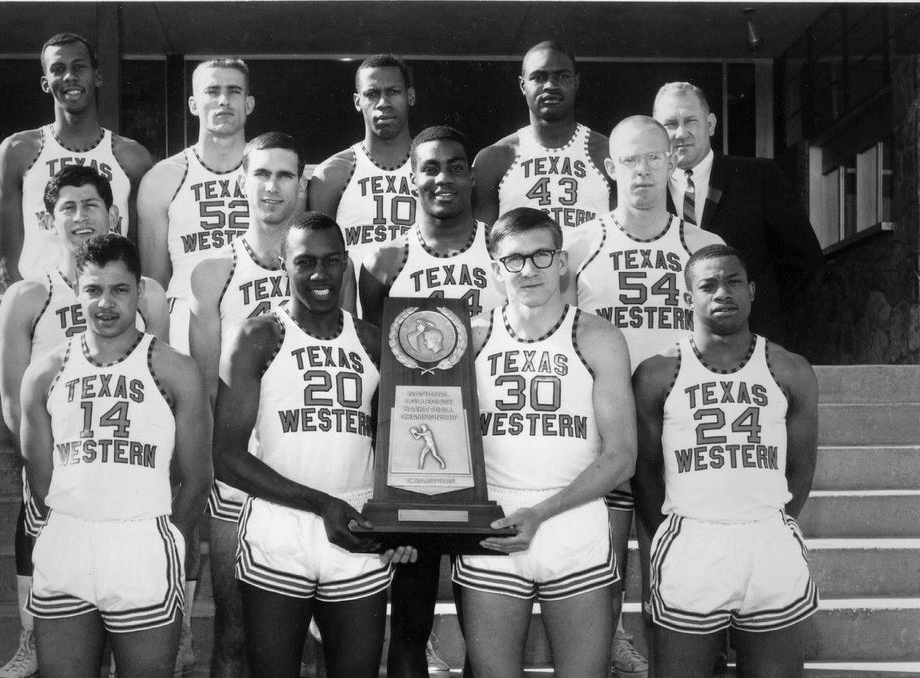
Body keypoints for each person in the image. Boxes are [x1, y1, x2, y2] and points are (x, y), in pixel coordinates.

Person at [213, 212, 417, 678]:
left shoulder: (372, 341)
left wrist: (401, 520)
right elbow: (226, 457)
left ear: (346, 263)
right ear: (283, 264)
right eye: (305, 262)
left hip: (356, 524)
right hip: (280, 525)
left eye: (330, 261)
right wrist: (320, 504)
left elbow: (397, 449)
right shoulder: (255, 336)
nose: (319, 275)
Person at [0, 166, 168, 678]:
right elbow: (12, 399)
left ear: (113, 213)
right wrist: (38, 454)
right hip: (59, 447)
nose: (79, 216)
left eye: (90, 204)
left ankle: (147, 635)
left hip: (125, 449)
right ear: (51, 221)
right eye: (67, 207)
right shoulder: (29, 296)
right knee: (42, 538)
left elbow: (160, 380)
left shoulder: (147, 293)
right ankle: (31, 635)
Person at [567, 117, 724, 669]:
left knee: (677, 565)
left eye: (654, 158)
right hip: (604, 430)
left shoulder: (705, 246)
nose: (643, 170)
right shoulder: (578, 244)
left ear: (672, 163)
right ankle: (609, 650)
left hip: (678, 431)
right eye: (630, 160)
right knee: (602, 564)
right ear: (610, 168)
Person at [455, 207, 637, 678]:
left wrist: (542, 513)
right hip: (493, 520)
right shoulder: (470, 338)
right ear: (496, 269)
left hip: (573, 517)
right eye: (514, 260)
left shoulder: (598, 336)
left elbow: (622, 456)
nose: (529, 270)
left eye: (541, 256)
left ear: (561, 263)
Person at [18, 233, 210, 677]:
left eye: (119, 289)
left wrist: (166, 538)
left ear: (139, 291)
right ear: (78, 292)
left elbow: (198, 478)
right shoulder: (45, 372)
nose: (106, 303)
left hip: (143, 542)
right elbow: (41, 479)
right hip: (68, 541)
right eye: (93, 290)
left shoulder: (175, 369)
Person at [632, 244, 820, 678]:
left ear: (751, 290)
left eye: (733, 281)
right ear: (688, 299)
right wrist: (675, 532)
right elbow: (644, 470)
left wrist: (766, 518)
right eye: (708, 284)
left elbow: (802, 468)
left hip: (767, 540)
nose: (722, 292)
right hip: (691, 539)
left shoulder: (789, 368)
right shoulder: (658, 372)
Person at [359, 125, 506, 678]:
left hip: (489, 451)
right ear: (412, 179)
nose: (442, 177)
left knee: (484, 623)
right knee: (411, 621)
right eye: (429, 168)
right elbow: (375, 362)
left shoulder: (500, 250)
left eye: (454, 165)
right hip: (414, 459)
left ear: (471, 174)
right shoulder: (384, 262)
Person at [184, 131, 330, 678]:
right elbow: (202, 383)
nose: (272, 187)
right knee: (233, 632)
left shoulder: (329, 268)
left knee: (317, 637)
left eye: (285, 175)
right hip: (239, 472)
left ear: (302, 184)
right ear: (242, 181)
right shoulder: (212, 272)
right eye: (262, 174)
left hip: (311, 463)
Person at [652, 82, 823, 348]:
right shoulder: (644, 191)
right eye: (670, 124)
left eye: (690, 121)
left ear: (710, 124)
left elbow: (804, 261)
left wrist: (756, 306)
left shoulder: (759, 177)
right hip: (668, 346)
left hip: (751, 340)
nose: (680, 133)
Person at [0, 32, 153, 286]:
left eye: (79, 67)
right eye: (58, 69)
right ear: (46, 83)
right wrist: (31, 312)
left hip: (107, 306)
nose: (69, 76)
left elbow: (139, 254)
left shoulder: (132, 157)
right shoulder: (18, 151)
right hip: (42, 303)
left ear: (97, 76)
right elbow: (6, 260)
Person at [138, 58, 254, 355]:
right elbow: (155, 279)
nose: (223, 100)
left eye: (234, 91)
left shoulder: (271, 173)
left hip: (257, 313)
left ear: (249, 104)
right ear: (193, 104)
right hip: (184, 318)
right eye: (212, 91)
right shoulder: (163, 178)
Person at [472, 41, 612, 230]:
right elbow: (483, 244)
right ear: (522, 85)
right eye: (539, 77)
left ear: (576, 82)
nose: (550, 86)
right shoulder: (494, 158)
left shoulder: (607, 152)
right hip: (522, 260)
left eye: (561, 76)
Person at [309, 54, 418, 293]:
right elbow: (317, 257)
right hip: (353, 316)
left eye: (393, 92)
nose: (383, 102)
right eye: (372, 94)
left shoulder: (432, 167)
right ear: (358, 101)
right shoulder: (333, 173)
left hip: (420, 306)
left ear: (410, 96)